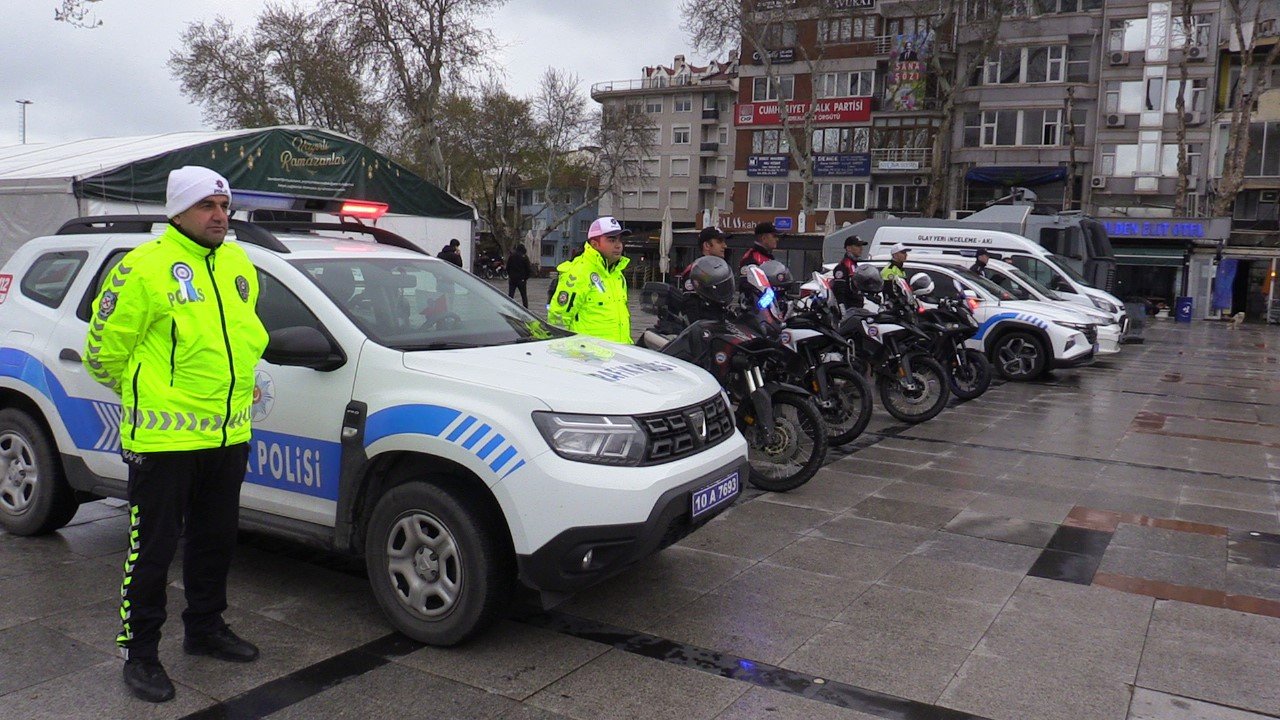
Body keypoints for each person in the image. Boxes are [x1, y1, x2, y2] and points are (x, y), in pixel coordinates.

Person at [84, 166, 268, 703]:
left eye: (224, 205)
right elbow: (103, 352)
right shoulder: (142, 266)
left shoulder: (238, 262)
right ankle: (139, 653)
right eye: (207, 206)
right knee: (153, 550)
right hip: (164, 443)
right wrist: (151, 397)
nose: (219, 215)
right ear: (178, 211)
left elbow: (243, 336)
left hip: (229, 436)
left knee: (215, 541)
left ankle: (205, 629)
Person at [547, 216, 632, 343]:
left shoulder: (617, 275)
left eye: (620, 240)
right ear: (595, 244)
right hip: (588, 356)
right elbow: (559, 317)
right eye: (611, 240)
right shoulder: (580, 272)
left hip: (617, 354)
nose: (618, 245)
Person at [680, 226, 730, 291]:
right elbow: (691, 299)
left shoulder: (721, 268)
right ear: (707, 245)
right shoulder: (695, 271)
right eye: (719, 242)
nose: (725, 246)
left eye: (724, 242)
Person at [831, 234, 868, 309]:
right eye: (858, 246)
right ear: (848, 248)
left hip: (857, 307)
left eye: (861, 246)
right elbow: (839, 291)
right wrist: (842, 308)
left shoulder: (855, 265)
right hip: (849, 308)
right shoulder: (842, 267)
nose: (861, 249)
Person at [506, 243, 533, 307]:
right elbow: (528, 269)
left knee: (510, 295)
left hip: (512, 279)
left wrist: (510, 275)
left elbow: (508, 267)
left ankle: (509, 307)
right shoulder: (525, 257)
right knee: (524, 296)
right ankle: (525, 308)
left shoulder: (512, 256)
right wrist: (525, 278)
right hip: (521, 280)